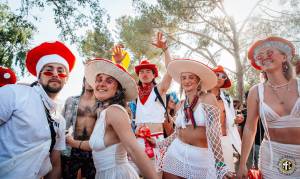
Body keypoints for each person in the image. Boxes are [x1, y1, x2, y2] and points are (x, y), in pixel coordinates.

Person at [66, 58, 159, 179]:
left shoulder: (115, 111)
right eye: (99, 80)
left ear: (118, 90)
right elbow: (94, 145)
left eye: (109, 81)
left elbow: (133, 150)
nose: (101, 84)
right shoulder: (105, 112)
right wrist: (71, 141)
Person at [0, 41, 75, 179]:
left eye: (61, 71)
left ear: (67, 79)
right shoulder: (14, 93)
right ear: (39, 75)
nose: (55, 74)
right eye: (48, 69)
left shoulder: (60, 119)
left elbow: (55, 163)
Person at [237, 37, 300, 178]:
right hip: (272, 158)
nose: (264, 57)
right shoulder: (256, 91)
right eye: (260, 55)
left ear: (284, 57)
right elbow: (249, 128)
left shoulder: (299, 85)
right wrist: (242, 164)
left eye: (269, 52)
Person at [160, 58, 234, 179]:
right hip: (176, 153)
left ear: (198, 80)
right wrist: (159, 144)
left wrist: (220, 164)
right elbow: (177, 134)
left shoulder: (208, 99)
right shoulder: (180, 104)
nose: (187, 81)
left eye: (191, 77)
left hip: (200, 158)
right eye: (184, 78)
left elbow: (214, 133)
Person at [61, 77, 97, 179]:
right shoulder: (71, 101)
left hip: (92, 149)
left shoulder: (102, 105)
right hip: (72, 148)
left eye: (93, 80)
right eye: (88, 79)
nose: (90, 83)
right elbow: (63, 125)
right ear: (83, 83)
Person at [210, 65, 243, 171]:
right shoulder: (201, 97)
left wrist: (237, 119)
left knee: (228, 173)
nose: (220, 77)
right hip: (207, 143)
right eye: (217, 74)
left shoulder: (227, 98)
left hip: (225, 140)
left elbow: (230, 119)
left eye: (223, 76)